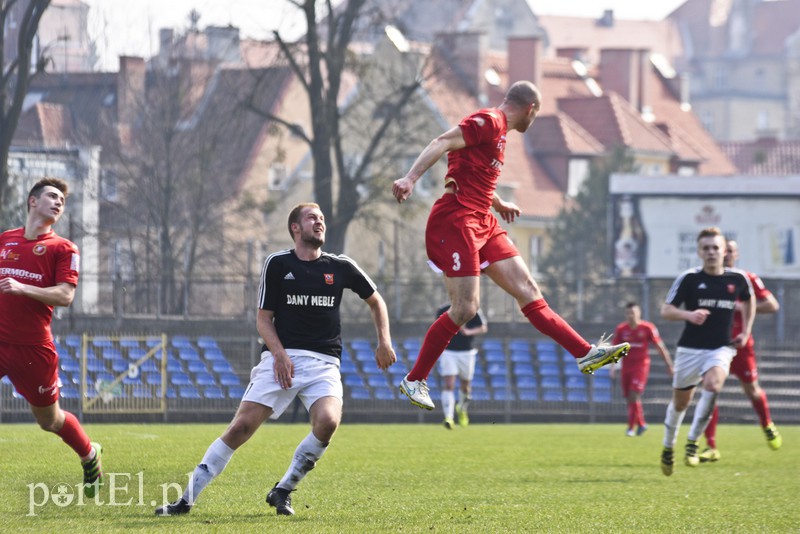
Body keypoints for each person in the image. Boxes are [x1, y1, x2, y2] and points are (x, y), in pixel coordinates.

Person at [391, 80, 630, 410]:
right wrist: (410, 178)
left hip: (483, 221)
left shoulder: (500, 134)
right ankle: (415, 379)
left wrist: (498, 202)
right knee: (465, 309)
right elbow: (443, 141)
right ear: (531, 110)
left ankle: (584, 353)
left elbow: (473, 171)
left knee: (529, 289)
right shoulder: (489, 121)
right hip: (457, 219)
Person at [156, 202, 396, 517]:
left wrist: (384, 341)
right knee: (241, 427)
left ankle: (283, 490)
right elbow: (263, 319)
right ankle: (185, 500)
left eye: (321, 218)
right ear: (295, 227)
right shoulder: (278, 264)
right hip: (280, 358)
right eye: (312, 218)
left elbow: (376, 300)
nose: (319, 222)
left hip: (324, 363)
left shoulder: (340, 266)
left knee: (328, 422)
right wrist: (279, 354)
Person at [0, 177, 103, 497]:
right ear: (33, 201)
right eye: (52, 196)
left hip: (34, 350)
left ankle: (89, 455)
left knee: (50, 421)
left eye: (62, 200)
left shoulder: (63, 248)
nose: (58, 202)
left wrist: (21, 288)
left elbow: (65, 295)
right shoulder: (5, 240)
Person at [659, 227, 755, 476]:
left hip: (721, 348)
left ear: (725, 251)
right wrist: (688, 314)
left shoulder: (738, 279)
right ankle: (668, 445)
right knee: (681, 403)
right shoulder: (689, 278)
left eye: (716, 247)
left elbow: (750, 299)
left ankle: (692, 442)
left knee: (713, 385)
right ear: (699, 252)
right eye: (706, 248)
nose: (711, 252)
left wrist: (745, 331)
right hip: (689, 350)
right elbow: (666, 311)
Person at [699, 239, 782, 462]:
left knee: (752, 390)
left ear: (735, 254)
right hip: (715, 343)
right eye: (723, 250)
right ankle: (711, 445)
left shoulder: (746, 279)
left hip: (741, 344)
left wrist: (738, 306)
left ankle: (767, 424)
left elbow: (772, 305)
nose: (726, 255)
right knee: (710, 391)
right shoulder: (705, 280)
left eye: (730, 251)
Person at [609, 302, 673, 437]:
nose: (631, 315)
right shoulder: (621, 329)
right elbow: (614, 350)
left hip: (641, 366)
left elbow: (660, 346)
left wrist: (669, 365)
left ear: (639, 313)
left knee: (634, 395)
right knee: (629, 398)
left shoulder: (647, 327)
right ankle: (642, 423)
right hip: (626, 367)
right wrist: (613, 367)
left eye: (633, 312)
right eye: (628, 313)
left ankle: (631, 428)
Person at [436, 304, 488, 429]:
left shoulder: (472, 310)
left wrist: (468, 331)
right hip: (448, 352)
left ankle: (462, 409)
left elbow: (483, 328)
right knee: (449, 384)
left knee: (465, 388)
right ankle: (449, 417)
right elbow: (437, 329)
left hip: (467, 353)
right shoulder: (443, 311)